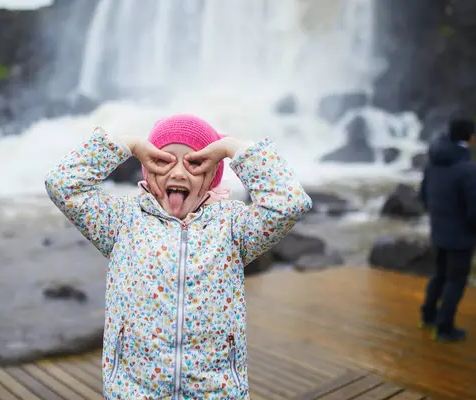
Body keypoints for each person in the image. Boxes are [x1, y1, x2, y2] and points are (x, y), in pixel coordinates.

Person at [45, 114, 312, 399]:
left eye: (195, 164)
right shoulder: (121, 221)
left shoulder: (233, 227)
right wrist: (130, 145)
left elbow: (290, 203)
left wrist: (230, 148)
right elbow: (62, 185)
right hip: (134, 391)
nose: (179, 174)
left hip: (216, 392)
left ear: (212, 175)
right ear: (148, 167)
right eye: (164, 161)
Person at [418, 117, 476, 342]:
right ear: (470, 137)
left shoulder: (433, 163)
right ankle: (445, 328)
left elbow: (423, 197)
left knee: (439, 275)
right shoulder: (470, 171)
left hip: (439, 231)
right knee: (456, 281)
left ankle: (427, 316)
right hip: (461, 237)